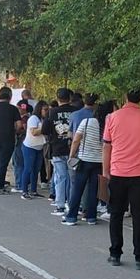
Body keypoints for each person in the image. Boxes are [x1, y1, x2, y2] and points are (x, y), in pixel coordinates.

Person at [103, 88, 140, 268]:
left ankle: (115, 253)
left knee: (116, 214)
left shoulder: (112, 118)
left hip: (117, 172)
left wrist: (105, 170)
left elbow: (106, 146)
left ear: (125, 97)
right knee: (139, 215)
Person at [63, 100, 112, 225]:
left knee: (77, 189)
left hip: (84, 160)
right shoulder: (108, 125)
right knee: (93, 190)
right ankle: (91, 217)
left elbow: (76, 140)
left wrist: (71, 155)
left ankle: (71, 217)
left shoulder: (87, 122)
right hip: (99, 162)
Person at [44, 88, 76, 216]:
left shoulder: (52, 112)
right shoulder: (75, 111)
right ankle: (73, 204)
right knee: (72, 178)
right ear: (70, 98)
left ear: (58, 98)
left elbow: (45, 130)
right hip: (73, 149)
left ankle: (60, 205)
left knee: (60, 177)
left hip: (57, 148)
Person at [20, 100, 48, 199]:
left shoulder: (43, 119)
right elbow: (34, 132)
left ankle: (33, 190)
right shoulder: (33, 118)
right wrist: (44, 128)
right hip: (30, 147)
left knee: (36, 169)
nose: (46, 111)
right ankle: (24, 191)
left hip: (39, 146)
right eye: (45, 109)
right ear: (40, 109)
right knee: (28, 168)